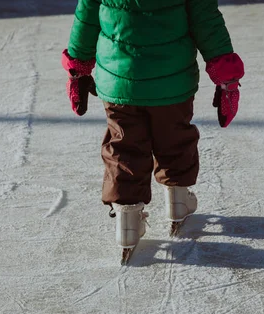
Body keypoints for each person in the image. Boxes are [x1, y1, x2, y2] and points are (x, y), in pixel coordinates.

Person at [62, 0, 244, 263]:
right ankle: (177, 200)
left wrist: (77, 69)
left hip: (118, 81)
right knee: (174, 136)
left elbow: (86, 18)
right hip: (172, 81)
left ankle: (127, 220)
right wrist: (226, 78)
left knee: (123, 146)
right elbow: (207, 22)